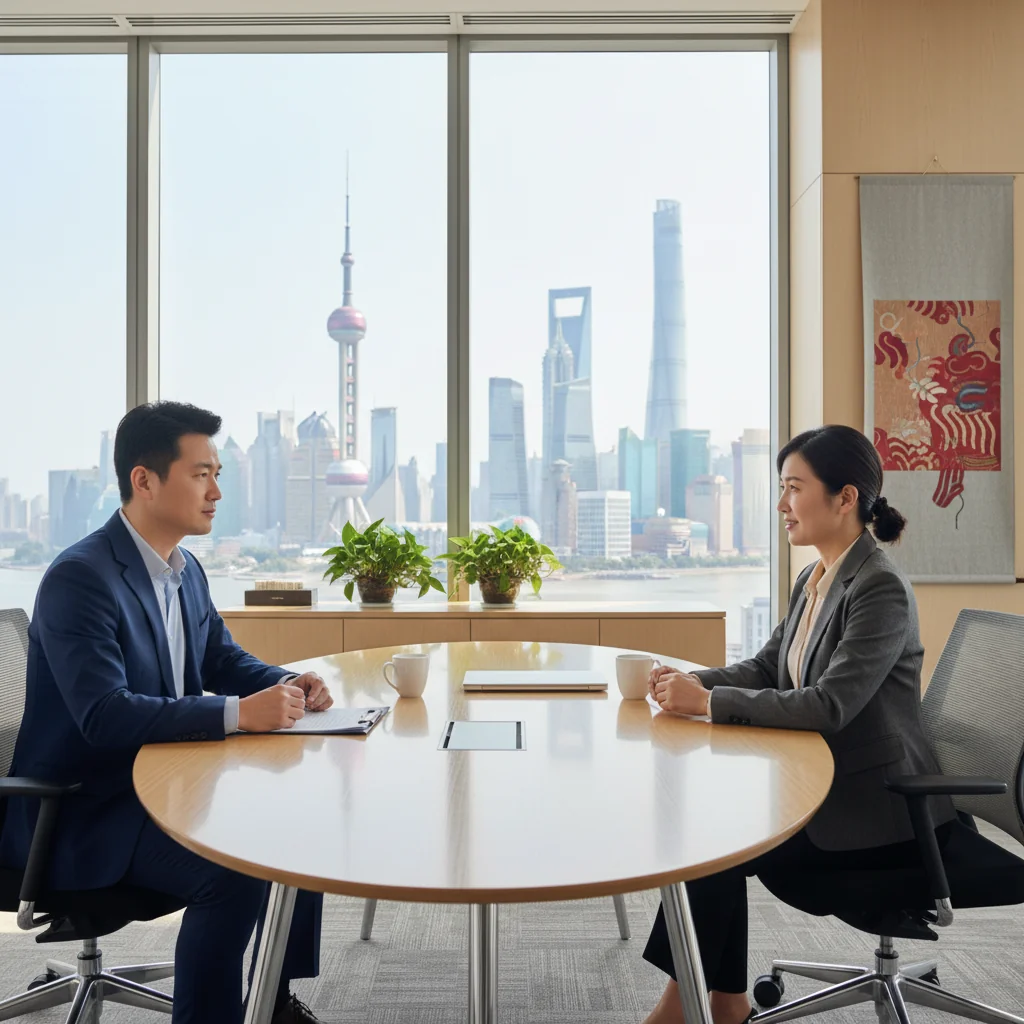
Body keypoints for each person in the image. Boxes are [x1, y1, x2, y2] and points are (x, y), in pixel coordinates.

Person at [0, 402, 329, 1024]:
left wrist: (288, 684)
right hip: (84, 809)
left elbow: (221, 659)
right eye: (201, 474)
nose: (217, 491)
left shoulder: (185, 568)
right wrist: (240, 715)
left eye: (218, 473)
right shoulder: (81, 578)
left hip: (168, 786)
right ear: (143, 480)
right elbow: (104, 716)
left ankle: (271, 1000)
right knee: (234, 873)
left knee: (299, 828)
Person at [640, 424, 957, 1024]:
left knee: (716, 843)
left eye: (793, 488)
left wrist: (704, 704)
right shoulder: (814, 579)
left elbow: (827, 704)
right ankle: (724, 1002)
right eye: (780, 488)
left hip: (883, 817)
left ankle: (686, 1006)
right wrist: (693, 681)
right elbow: (768, 667)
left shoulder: (879, 588)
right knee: (714, 833)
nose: (782, 505)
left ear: (846, 498)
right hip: (828, 787)